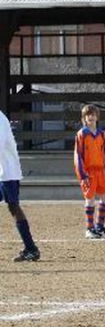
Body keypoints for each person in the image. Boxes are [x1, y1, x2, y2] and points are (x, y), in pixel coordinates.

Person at [0, 109, 40, 262]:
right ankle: (31, 248)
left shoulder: (0, 118)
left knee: (13, 207)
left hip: (7, 171)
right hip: (4, 171)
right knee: (13, 207)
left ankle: (31, 248)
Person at [74, 104, 105, 239]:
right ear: (84, 118)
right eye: (88, 115)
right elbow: (78, 156)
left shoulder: (103, 134)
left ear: (97, 117)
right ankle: (89, 229)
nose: (90, 117)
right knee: (90, 199)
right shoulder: (81, 134)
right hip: (88, 171)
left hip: (101, 170)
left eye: (93, 114)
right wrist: (82, 174)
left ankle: (99, 227)